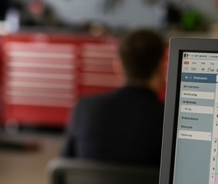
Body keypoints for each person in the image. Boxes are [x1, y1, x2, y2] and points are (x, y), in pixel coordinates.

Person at [61, 29, 166, 165]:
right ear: (162, 66)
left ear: (118, 66)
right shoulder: (169, 119)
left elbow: (65, 163)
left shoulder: (85, 108)